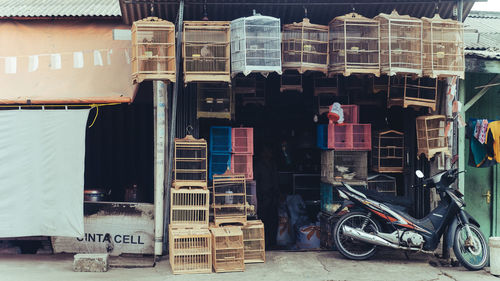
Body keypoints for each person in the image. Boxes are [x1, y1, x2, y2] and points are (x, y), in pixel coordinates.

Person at [254, 145, 279, 248]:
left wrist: (278, 194)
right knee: (263, 220)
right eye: (268, 151)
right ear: (263, 153)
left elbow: (276, 180)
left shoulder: (273, 165)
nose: (270, 153)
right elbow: (256, 183)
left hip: (273, 197)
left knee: (273, 221)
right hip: (263, 198)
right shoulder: (259, 165)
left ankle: (273, 243)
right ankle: (264, 244)